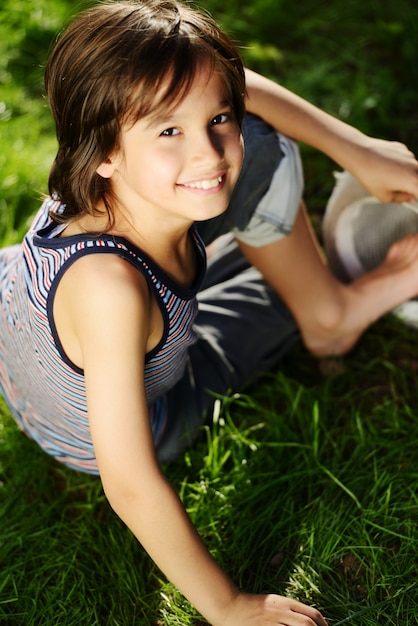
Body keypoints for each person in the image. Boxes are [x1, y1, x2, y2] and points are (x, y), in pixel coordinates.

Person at [1, 1, 418, 624]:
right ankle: (350, 304)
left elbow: (229, 86)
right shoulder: (110, 291)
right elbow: (130, 482)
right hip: (121, 423)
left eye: (215, 118)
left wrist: (358, 148)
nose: (209, 152)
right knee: (287, 248)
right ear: (103, 152)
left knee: (258, 147)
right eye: (168, 130)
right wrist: (228, 607)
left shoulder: (87, 175)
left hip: (35, 346)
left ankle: (292, 263)